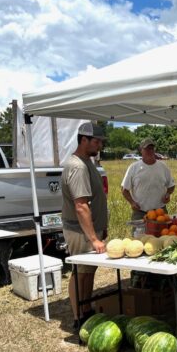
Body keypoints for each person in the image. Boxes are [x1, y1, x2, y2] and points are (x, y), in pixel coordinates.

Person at [61, 122, 108, 329]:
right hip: (80, 231)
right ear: (84, 140)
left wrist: (100, 227)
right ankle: (78, 316)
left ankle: (86, 308)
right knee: (80, 272)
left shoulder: (87, 161)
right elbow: (80, 206)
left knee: (88, 271)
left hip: (90, 229)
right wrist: (94, 238)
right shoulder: (78, 166)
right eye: (96, 141)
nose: (99, 146)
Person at [121, 138, 175, 220]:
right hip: (140, 212)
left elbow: (171, 185)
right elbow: (124, 189)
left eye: (151, 148)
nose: (149, 151)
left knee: (164, 233)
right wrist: (132, 202)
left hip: (160, 212)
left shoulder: (163, 167)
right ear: (141, 150)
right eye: (146, 149)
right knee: (138, 233)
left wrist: (167, 194)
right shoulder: (133, 167)